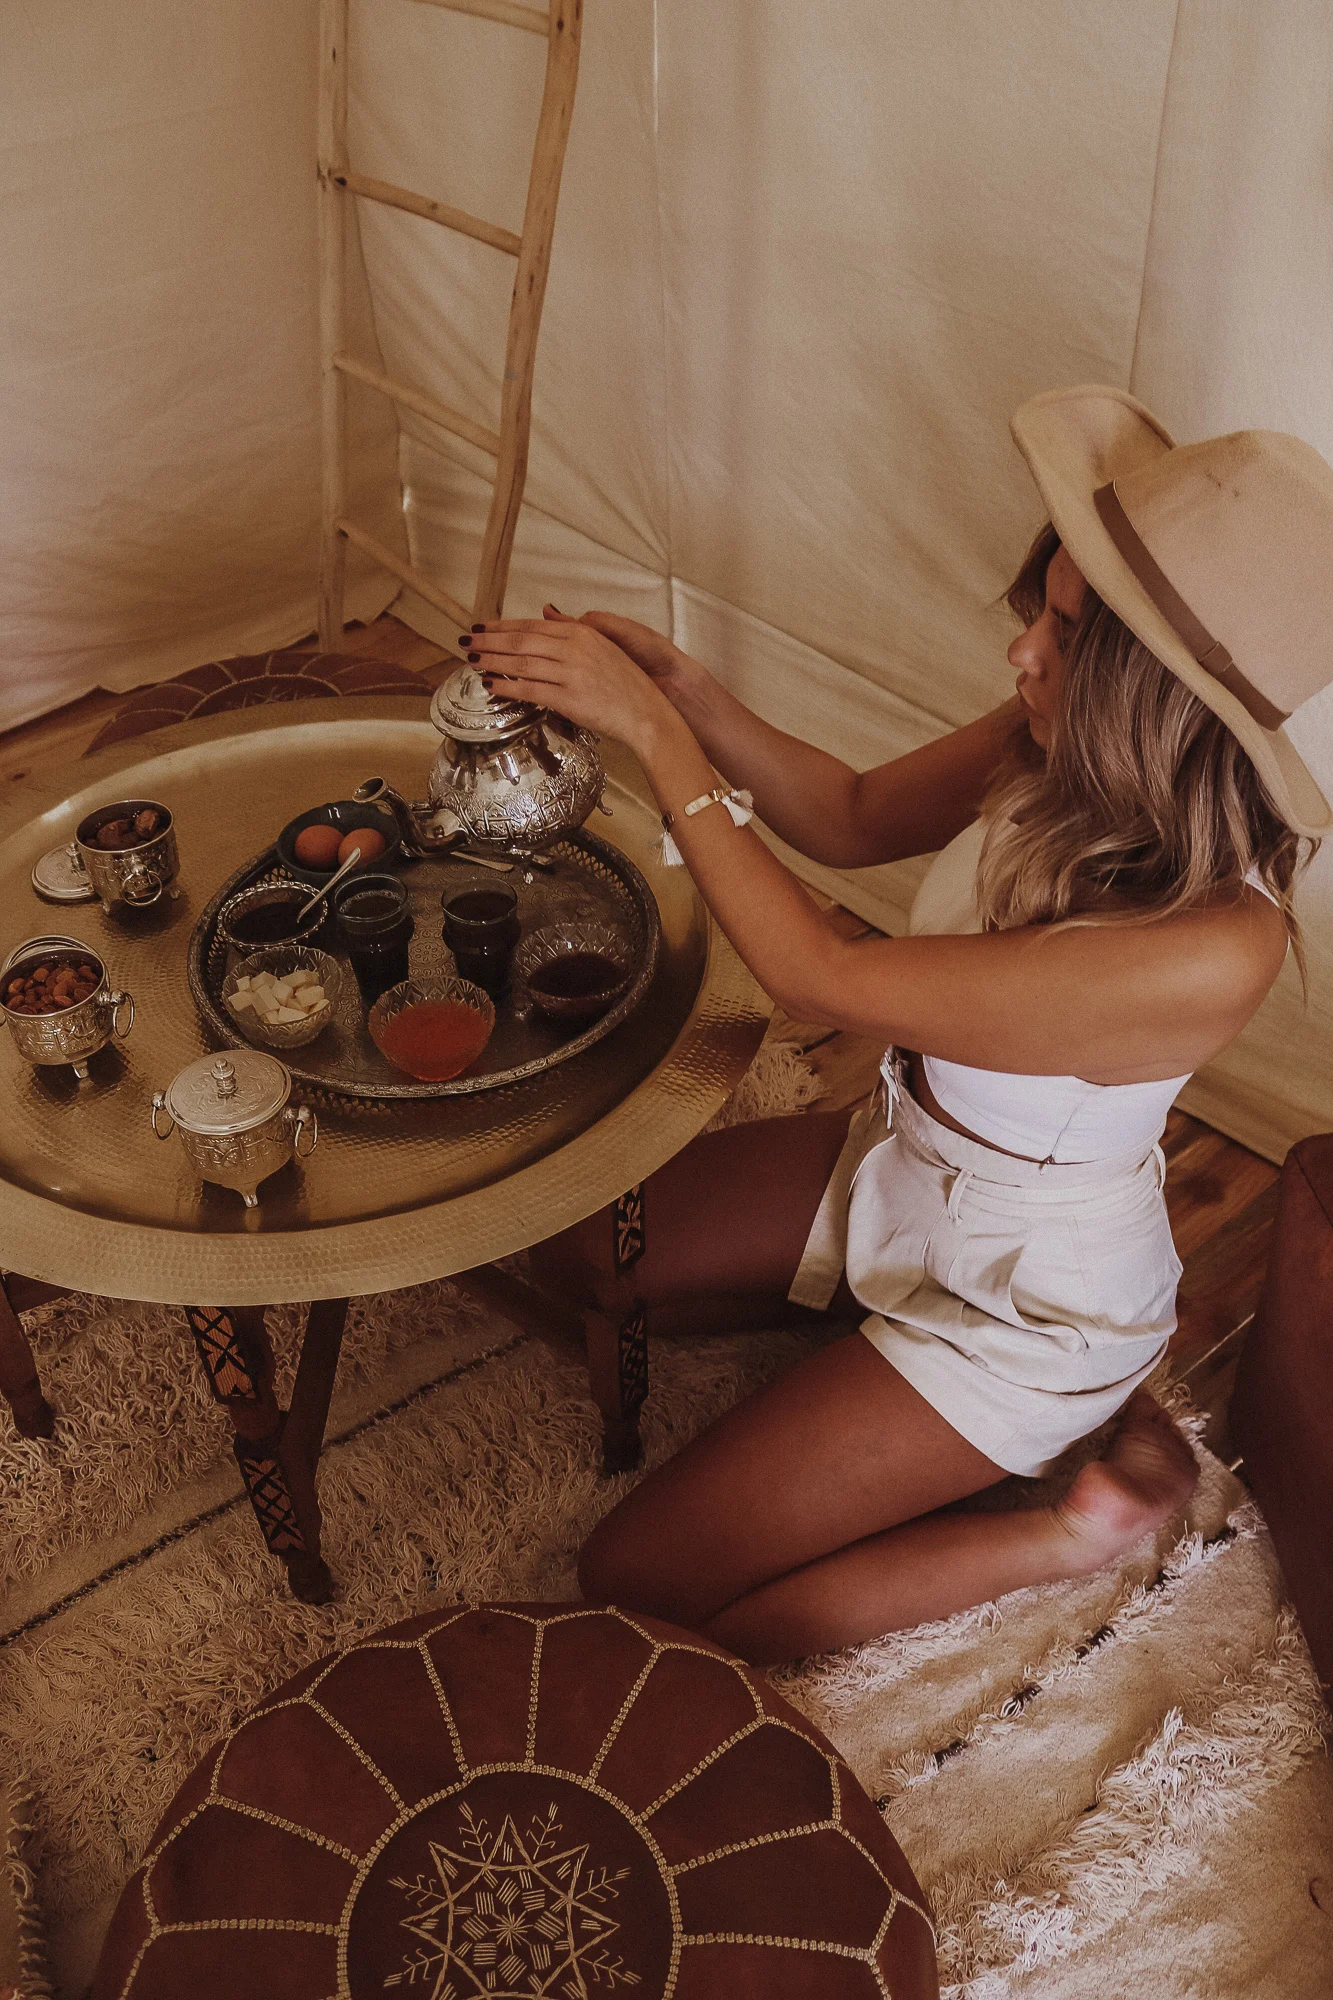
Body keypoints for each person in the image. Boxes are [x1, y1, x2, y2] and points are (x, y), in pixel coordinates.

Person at [466, 385, 1333, 1666]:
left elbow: (817, 975)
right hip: (901, 1166)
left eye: (1068, 631)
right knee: (582, 1251)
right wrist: (687, 689)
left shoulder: (1212, 946)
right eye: (1043, 607)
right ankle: (899, 1358)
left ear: (1158, 698)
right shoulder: (1057, 734)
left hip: (1030, 1304)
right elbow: (855, 813)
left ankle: (1086, 1515)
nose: (1022, 652)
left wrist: (651, 739)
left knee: (637, 1578)